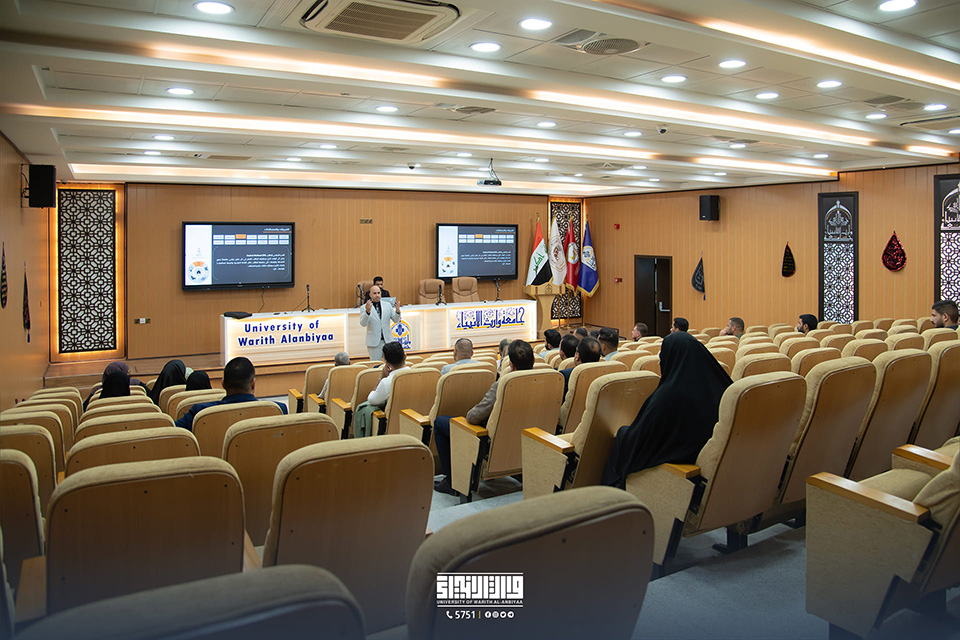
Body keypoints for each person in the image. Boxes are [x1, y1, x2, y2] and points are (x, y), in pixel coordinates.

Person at [602, 332, 732, 489]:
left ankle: (611, 492)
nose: (660, 361)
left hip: (680, 465)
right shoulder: (722, 386)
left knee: (623, 435)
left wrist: (624, 433)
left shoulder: (669, 395)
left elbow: (640, 439)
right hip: (705, 459)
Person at [433, 340, 535, 496]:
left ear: (511, 365)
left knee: (440, 422)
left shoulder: (503, 385)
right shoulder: (545, 380)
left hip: (491, 443)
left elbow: (473, 417)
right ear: (533, 362)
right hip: (526, 440)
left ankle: (451, 480)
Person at [175, 357, 286, 431]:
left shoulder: (199, 412)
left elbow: (172, 431)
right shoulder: (279, 409)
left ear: (223, 383)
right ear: (253, 383)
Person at [353, 342, 406, 438]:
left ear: (387, 363)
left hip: (394, 427)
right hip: (415, 424)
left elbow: (371, 400)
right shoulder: (419, 373)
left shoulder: (387, 382)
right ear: (405, 356)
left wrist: (382, 378)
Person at [359, 284, 401, 361]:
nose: (377, 295)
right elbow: (363, 323)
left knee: (390, 363)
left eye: (378, 293)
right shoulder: (364, 307)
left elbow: (396, 320)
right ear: (370, 295)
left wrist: (397, 311)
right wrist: (367, 312)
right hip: (374, 342)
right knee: (376, 364)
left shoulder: (387, 305)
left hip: (387, 340)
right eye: (374, 293)